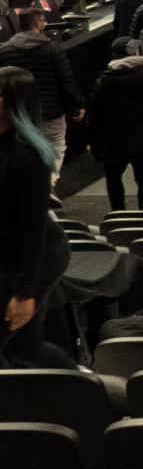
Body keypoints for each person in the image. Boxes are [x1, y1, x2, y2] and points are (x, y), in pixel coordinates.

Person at [0, 66, 69, 369]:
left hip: (39, 257)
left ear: (15, 102)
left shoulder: (28, 158)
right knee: (25, 346)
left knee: (14, 335)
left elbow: (34, 230)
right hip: (8, 252)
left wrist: (25, 292)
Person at [86, 53, 143, 212]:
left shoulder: (102, 83)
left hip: (113, 138)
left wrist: (91, 140)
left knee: (113, 177)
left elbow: (94, 116)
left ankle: (118, 212)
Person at [0, 9, 77, 168]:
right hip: (51, 111)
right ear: (37, 23)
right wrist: (78, 103)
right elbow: (66, 81)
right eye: (44, 20)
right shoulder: (52, 48)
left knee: (27, 149)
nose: (46, 24)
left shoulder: (4, 50)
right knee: (56, 145)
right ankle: (49, 184)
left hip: (20, 112)